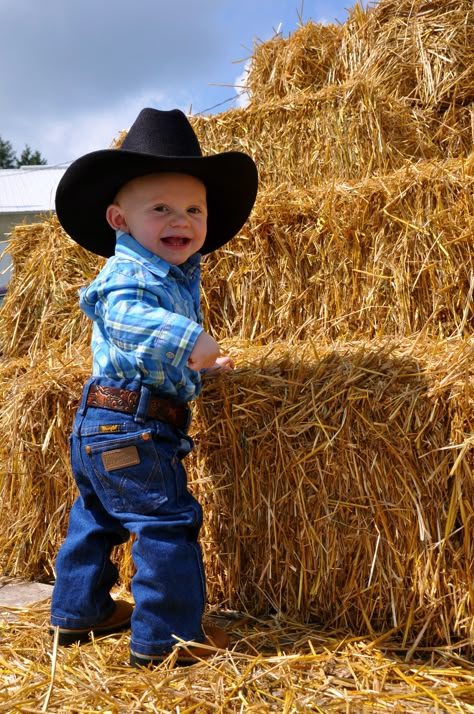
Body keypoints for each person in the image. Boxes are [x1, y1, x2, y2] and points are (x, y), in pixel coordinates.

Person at [50, 107, 258, 668]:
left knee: (97, 516)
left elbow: (146, 353)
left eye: (194, 209)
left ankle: (80, 612)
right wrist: (191, 338)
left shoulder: (173, 276)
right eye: (160, 208)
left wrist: (201, 369)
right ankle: (168, 639)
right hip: (134, 426)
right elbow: (122, 318)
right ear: (119, 220)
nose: (181, 219)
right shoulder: (129, 275)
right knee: (167, 522)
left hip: (106, 420)